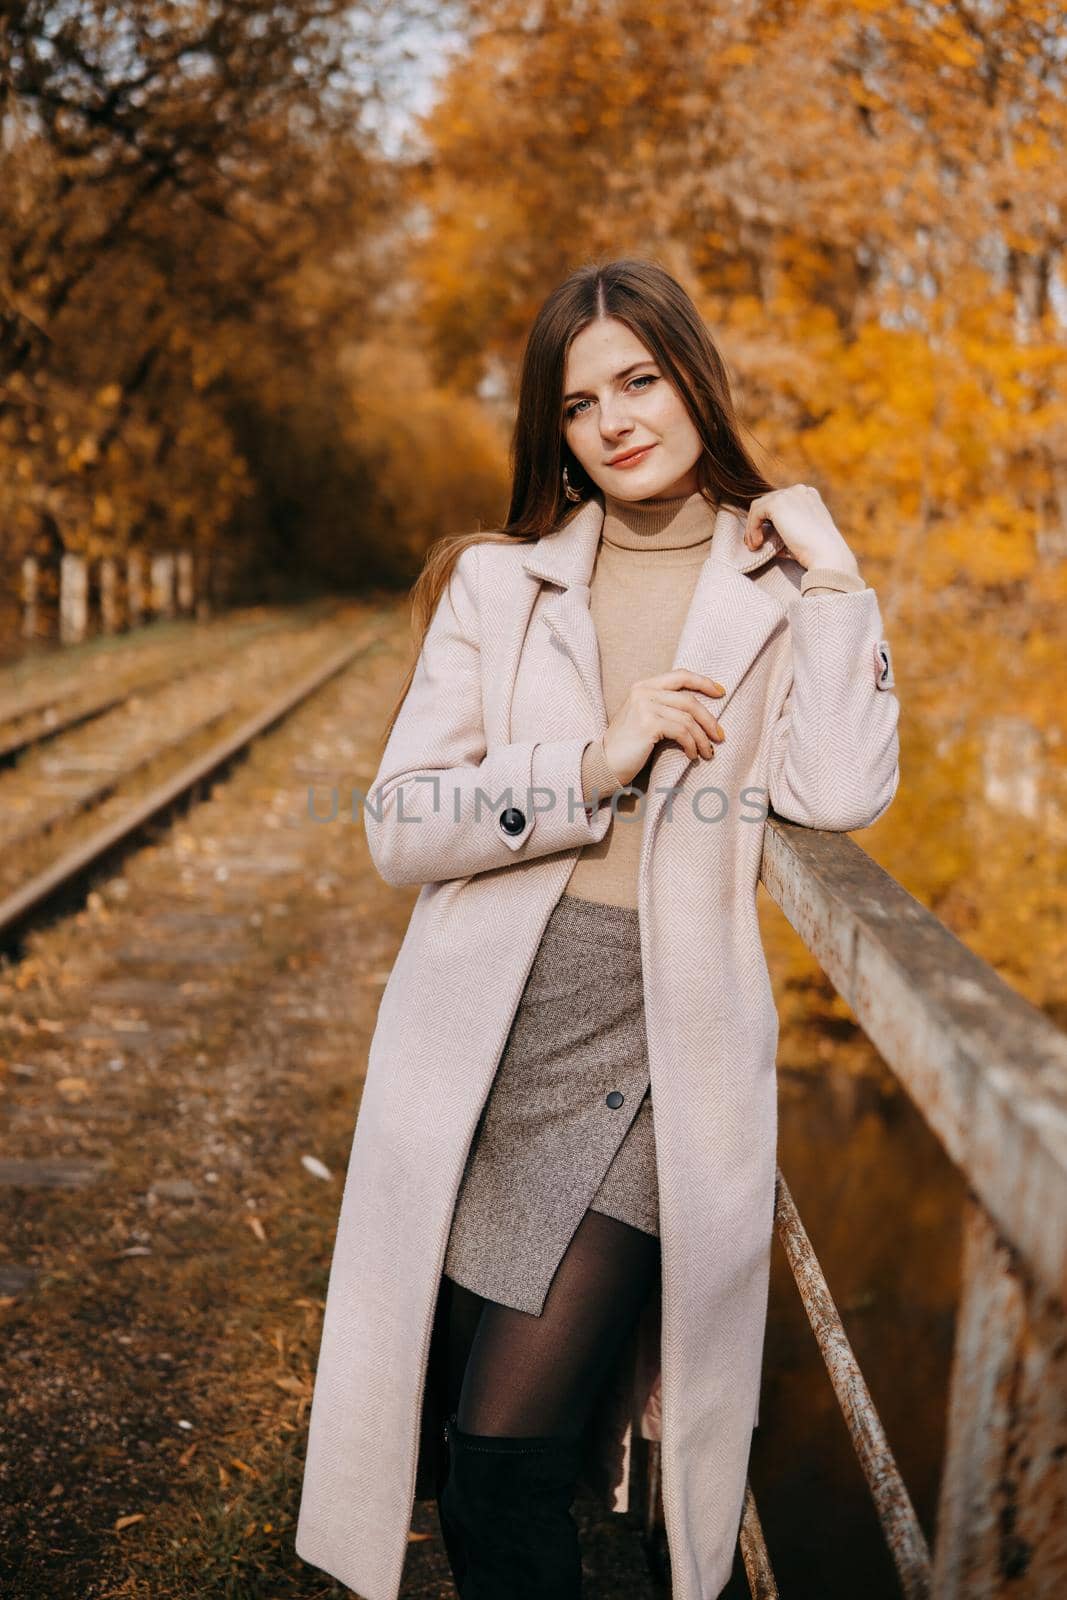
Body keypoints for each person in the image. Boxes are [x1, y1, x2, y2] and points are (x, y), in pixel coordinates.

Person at [294, 257, 900, 1600]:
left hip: (657, 1049)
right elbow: (400, 821)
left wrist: (840, 572)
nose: (618, 418)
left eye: (640, 378)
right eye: (580, 403)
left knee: (506, 1448)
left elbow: (844, 791)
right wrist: (592, 759)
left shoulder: (779, 588)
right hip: (493, 1036)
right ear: (555, 433)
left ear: (694, 377)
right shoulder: (498, 588)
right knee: (469, 1451)